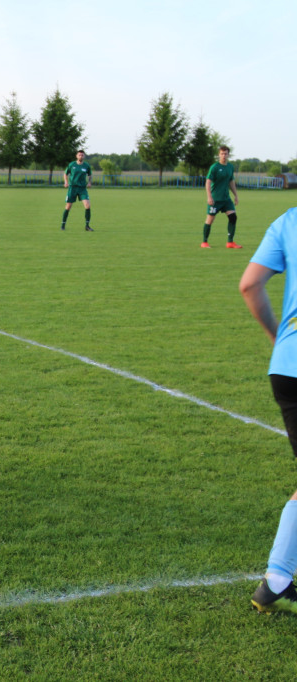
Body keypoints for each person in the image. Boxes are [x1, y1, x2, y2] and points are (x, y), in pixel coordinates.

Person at [240, 207, 297, 614]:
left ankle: (276, 579)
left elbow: (249, 285)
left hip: (288, 365)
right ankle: (276, 579)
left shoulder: (290, 220)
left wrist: (281, 339)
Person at [202, 145, 241, 249]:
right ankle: (204, 242)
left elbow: (231, 182)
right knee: (210, 219)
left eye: (226, 153)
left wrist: (236, 195)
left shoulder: (230, 167)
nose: (224, 155)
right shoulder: (214, 167)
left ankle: (230, 242)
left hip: (226, 199)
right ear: (219, 155)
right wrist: (209, 197)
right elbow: (208, 182)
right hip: (215, 199)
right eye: (222, 153)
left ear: (228, 155)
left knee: (233, 217)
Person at [61, 149, 94, 232]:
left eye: (82, 155)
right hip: (72, 188)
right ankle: (63, 225)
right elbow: (65, 173)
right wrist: (66, 182)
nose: (81, 156)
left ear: (84, 156)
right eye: (79, 155)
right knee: (68, 207)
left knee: (87, 205)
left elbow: (90, 175)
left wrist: (89, 182)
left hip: (82, 188)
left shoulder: (86, 166)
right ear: (76, 156)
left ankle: (87, 226)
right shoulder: (72, 164)